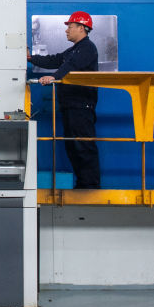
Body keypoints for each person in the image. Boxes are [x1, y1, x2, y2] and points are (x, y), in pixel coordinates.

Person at [28, 11, 100, 189]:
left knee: (83, 146)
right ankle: (83, 184)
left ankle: (90, 187)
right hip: (71, 106)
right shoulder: (75, 49)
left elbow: (71, 66)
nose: (67, 30)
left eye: (70, 27)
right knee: (73, 147)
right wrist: (31, 58)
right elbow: (56, 60)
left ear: (81, 28)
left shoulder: (87, 48)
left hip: (81, 106)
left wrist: (54, 77)